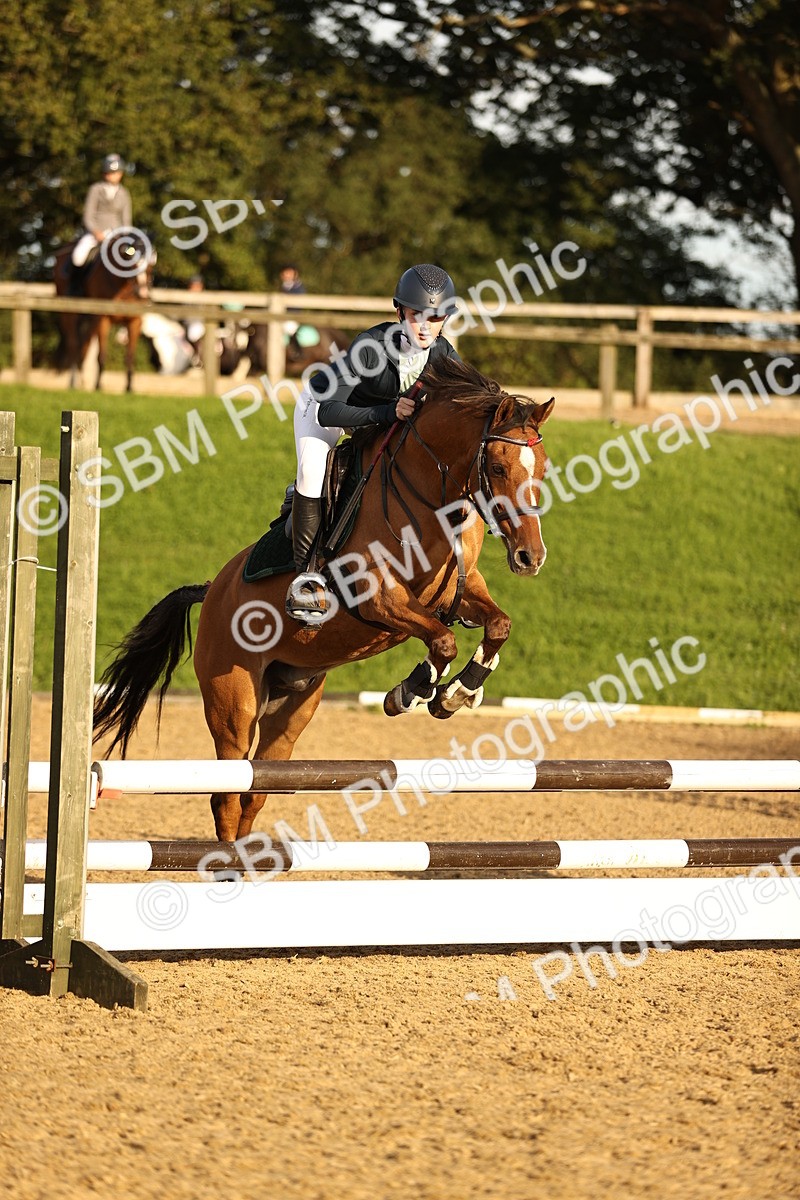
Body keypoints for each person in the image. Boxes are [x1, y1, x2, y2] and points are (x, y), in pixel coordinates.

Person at [286, 262, 460, 624]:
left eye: (436, 317)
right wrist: (386, 412)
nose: (426, 326)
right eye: (417, 316)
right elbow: (330, 411)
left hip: (378, 416)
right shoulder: (371, 348)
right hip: (322, 410)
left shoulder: (443, 354)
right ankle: (307, 577)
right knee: (312, 470)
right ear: (400, 312)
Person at [69, 153, 133, 293]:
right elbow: (88, 215)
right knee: (78, 256)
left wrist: (124, 236)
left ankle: (133, 289)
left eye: (116, 173)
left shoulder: (124, 193)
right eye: (110, 173)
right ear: (104, 174)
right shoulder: (95, 190)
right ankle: (76, 287)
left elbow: (126, 219)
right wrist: (95, 231)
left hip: (117, 235)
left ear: (121, 174)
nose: (113, 176)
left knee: (132, 253)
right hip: (96, 234)